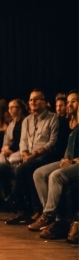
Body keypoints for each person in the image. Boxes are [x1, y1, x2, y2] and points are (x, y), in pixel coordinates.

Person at [29, 91, 78, 239]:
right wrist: (65, 160)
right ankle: (52, 214)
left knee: (56, 176)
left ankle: (50, 215)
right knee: (38, 173)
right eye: (68, 102)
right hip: (68, 160)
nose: (69, 104)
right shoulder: (70, 123)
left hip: (76, 162)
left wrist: (73, 161)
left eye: (73, 101)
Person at [6, 90, 59, 225]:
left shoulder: (53, 118)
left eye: (36, 99)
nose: (32, 102)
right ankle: (32, 209)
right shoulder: (26, 120)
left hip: (45, 155)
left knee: (23, 169)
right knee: (23, 168)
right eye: (30, 100)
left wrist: (34, 155)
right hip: (28, 155)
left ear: (45, 102)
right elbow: (22, 141)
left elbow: (52, 142)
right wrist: (24, 154)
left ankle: (22, 208)